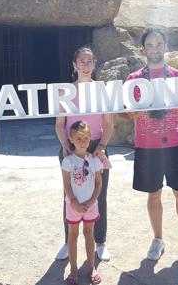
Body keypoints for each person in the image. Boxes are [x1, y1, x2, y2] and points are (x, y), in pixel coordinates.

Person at [119, 28, 178, 263]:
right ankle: (158, 240)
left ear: (165, 47)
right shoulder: (134, 79)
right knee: (154, 195)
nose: (155, 49)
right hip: (147, 147)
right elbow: (124, 114)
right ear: (143, 49)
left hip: (176, 144)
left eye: (159, 44)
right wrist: (132, 114)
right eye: (150, 45)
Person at [55, 46, 114, 261]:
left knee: (99, 195)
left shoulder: (103, 90)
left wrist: (102, 146)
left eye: (90, 61)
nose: (86, 65)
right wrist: (65, 144)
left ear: (94, 64)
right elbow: (60, 124)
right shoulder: (65, 92)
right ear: (74, 64)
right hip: (71, 146)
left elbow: (108, 123)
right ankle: (67, 242)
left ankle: (100, 242)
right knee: (69, 194)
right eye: (82, 61)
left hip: (96, 145)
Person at [61, 120, 103, 285]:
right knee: (73, 235)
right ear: (70, 139)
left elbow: (99, 183)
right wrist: (74, 202)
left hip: (90, 205)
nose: (82, 142)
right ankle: (73, 270)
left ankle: (91, 268)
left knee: (89, 234)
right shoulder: (68, 161)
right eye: (78, 138)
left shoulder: (95, 161)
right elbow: (66, 184)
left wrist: (92, 200)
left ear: (91, 138)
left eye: (86, 138)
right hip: (73, 206)